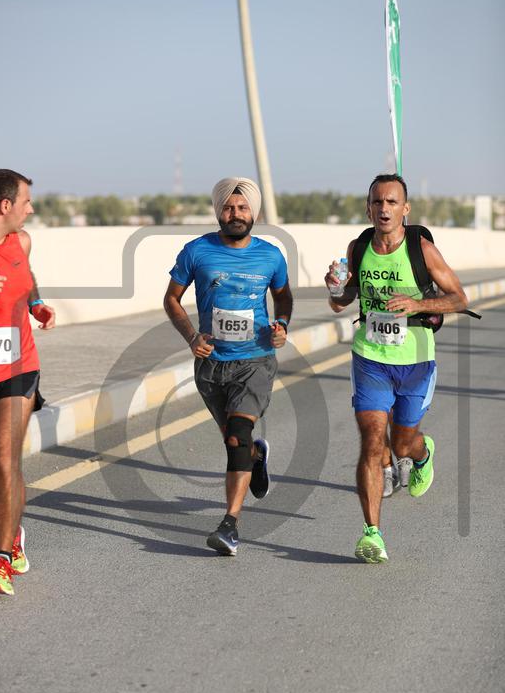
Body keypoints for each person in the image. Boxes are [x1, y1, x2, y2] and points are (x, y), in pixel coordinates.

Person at [325, 174, 468, 563]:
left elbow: (458, 298)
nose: (384, 209)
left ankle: (422, 454)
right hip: (370, 358)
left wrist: (418, 304)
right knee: (373, 442)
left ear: (405, 209)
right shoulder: (358, 249)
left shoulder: (422, 250)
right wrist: (334, 287)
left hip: (415, 361)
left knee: (402, 444)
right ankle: (371, 534)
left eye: (391, 202)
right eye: (377, 202)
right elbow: (341, 302)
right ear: (368, 208)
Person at [164, 176, 292, 556]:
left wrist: (281, 325)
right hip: (211, 365)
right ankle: (256, 456)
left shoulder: (271, 255)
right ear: (218, 211)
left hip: (255, 360)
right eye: (228, 207)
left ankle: (230, 525)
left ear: (254, 213)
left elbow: (283, 296)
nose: (235, 214)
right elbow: (172, 299)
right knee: (235, 442)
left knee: (237, 436)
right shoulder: (196, 251)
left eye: (242, 208)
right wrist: (192, 337)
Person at [0, 169, 55, 595]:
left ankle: (2, 559)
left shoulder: (22, 241)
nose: (31, 209)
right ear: (5, 205)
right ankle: (14, 534)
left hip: (17, 367)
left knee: (5, 460)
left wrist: (37, 304)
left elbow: (26, 275)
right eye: (26, 201)